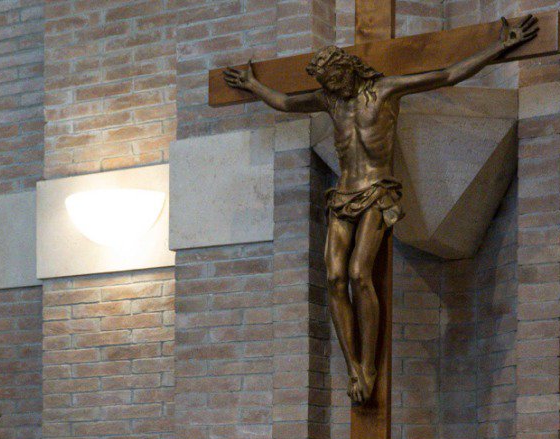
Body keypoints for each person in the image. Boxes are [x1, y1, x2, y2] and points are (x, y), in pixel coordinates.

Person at [223, 15, 539, 404]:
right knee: (334, 279)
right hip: (342, 196)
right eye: (326, 84)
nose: (332, 88)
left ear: (347, 69)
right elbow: (288, 101)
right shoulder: (329, 100)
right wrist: (253, 84)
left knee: (359, 273)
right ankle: (354, 366)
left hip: (377, 191)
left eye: (335, 79)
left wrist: (500, 46)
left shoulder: (386, 91)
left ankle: (369, 366)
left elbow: (450, 73)